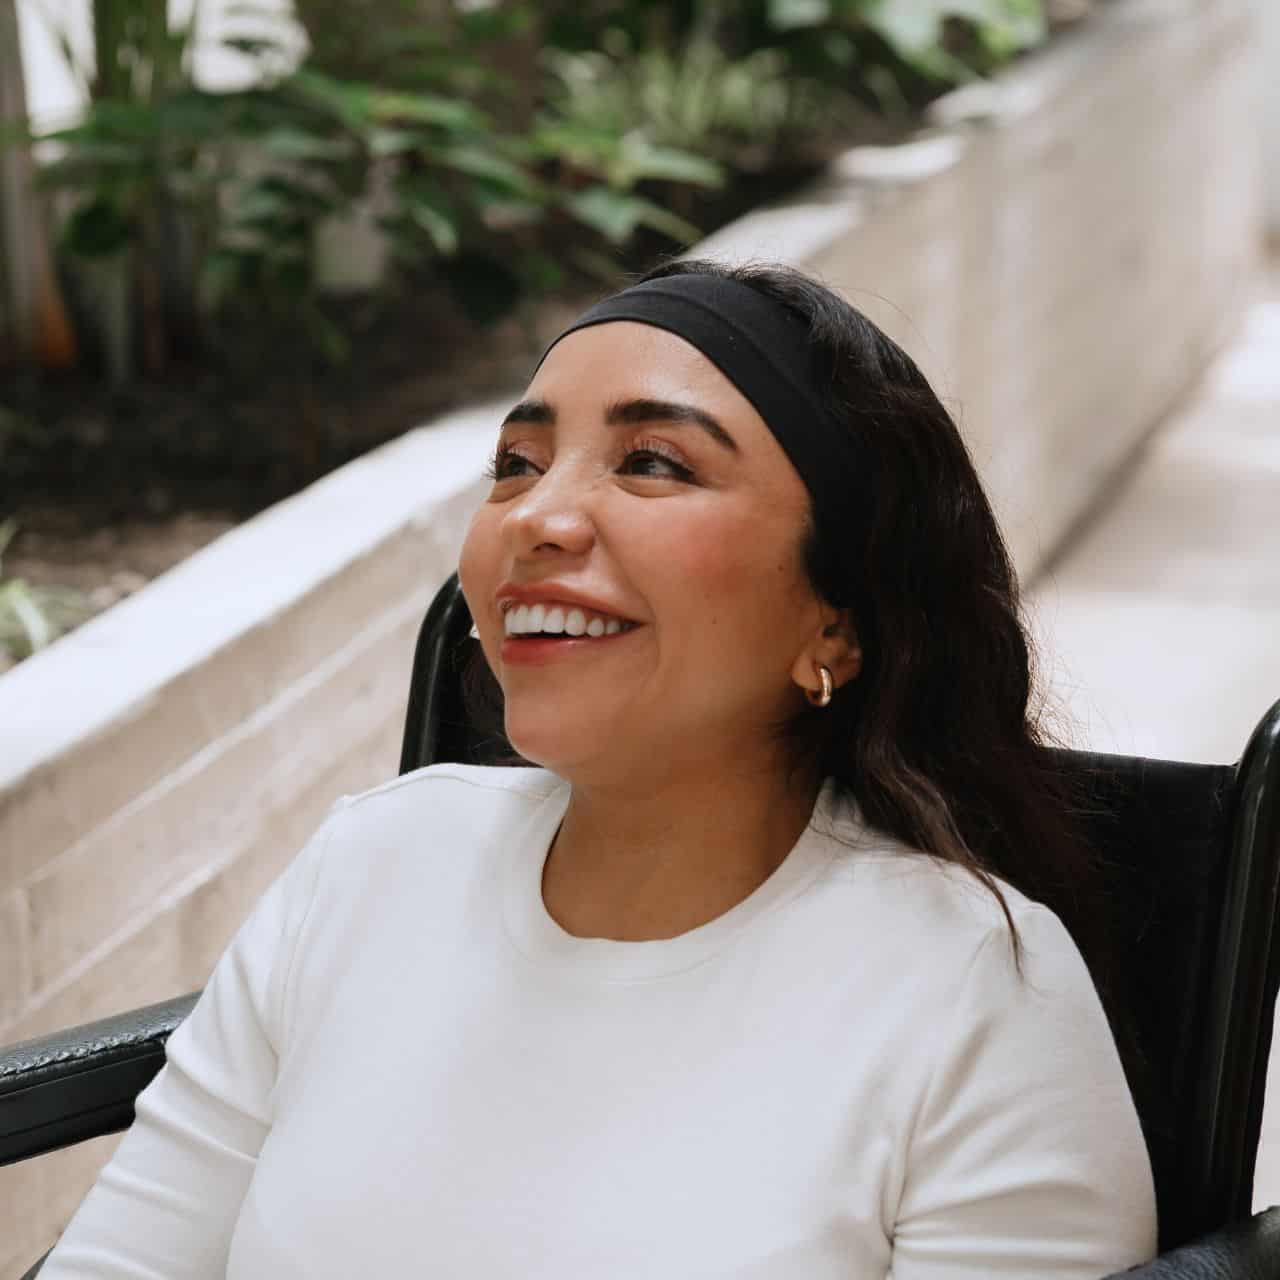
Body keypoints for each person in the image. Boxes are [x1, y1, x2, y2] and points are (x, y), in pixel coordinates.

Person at [41, 260, 1157, 1278]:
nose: (537, 516)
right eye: (515, 464)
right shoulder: (373, 860)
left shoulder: (972, 995)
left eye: (653, 462)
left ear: (839, 622)